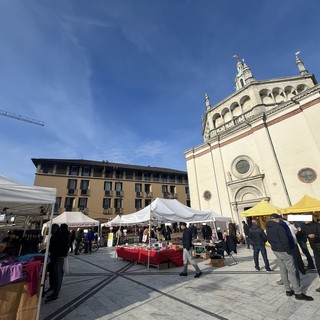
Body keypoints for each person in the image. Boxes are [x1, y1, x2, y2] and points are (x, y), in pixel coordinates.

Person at [266, 213, 313, 301]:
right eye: (279, 219)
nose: (280, 220)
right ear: (276, 219)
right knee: (292, 271)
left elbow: (268, 239)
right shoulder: (279, 227)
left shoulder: (268, 227)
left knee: (283, 270)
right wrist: (288, 250)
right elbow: (285, 240)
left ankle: (288, 290)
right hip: (285, 251)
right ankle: (298, 293)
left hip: (276, 250)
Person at [45, 223, 70, 303]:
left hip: (58, 257)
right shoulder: (66, 235)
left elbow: (55, 247)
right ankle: (54, 289)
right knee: (58, 274)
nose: (51, 230)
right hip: (62, 257)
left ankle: (55, 294)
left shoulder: (60, 236)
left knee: (58, 275)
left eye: (52, 229)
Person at [301, 215, 320, 292]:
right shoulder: (304, 226)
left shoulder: (317, 225)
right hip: (315, 249)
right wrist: (297, 232)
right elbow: (303, 233)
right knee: (319, 267)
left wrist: (315, 236)